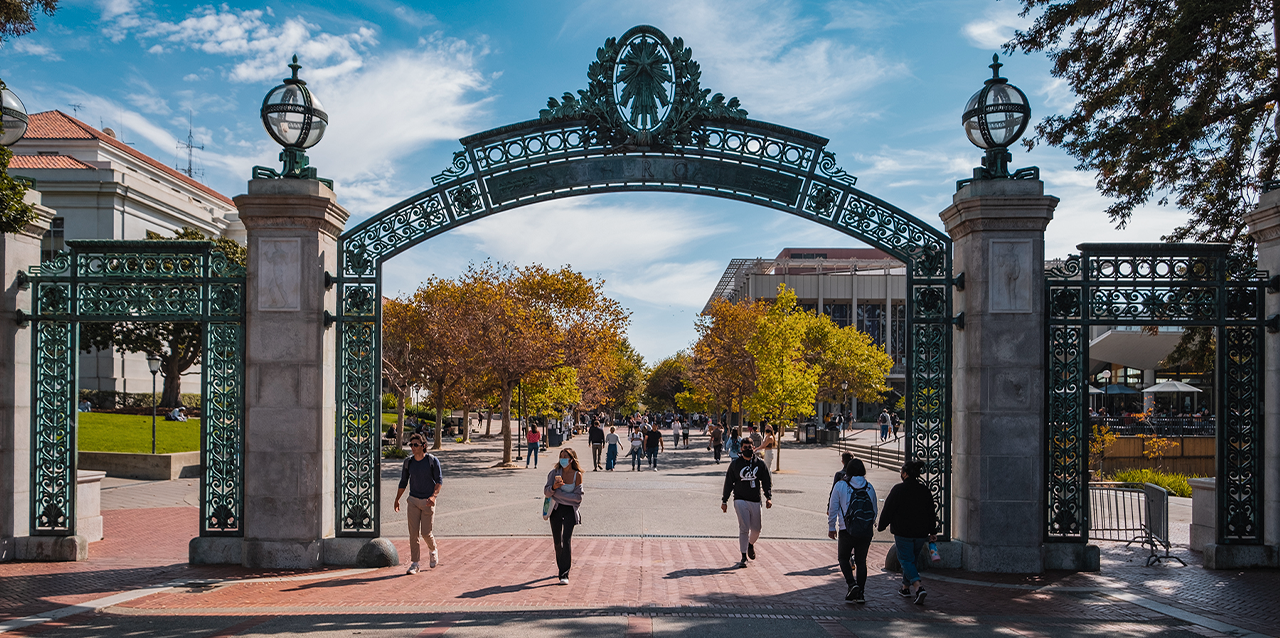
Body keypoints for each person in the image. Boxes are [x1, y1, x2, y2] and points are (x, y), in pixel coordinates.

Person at [877, 460, 938, 605]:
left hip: (903, 532)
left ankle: (918, 587)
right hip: (920, 533)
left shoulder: (898, 489)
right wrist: (932, 531)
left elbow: (888, 510)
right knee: (911, 561)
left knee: (905, 560)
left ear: (905, 474)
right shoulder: (924, 490)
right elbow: (931, 512)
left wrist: (881, 526)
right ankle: (905, 588)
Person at [828, 458, 877, 603]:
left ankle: (851, 584)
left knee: (843, 558)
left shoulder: (841, 485)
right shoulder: (869, 487)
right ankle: (861, 593)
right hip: (865, 530)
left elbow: (833, 508)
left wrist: (832, 527)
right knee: (861, 561)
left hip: (846, 529)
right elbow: (874, 510)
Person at [394, 433, 443, 574]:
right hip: (413, 501)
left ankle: (433, 550)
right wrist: (397, 499)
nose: (413, 447)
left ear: (423, 446)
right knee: (413, 534)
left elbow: (439, 481)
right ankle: (415, 563)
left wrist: (434, 496)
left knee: (426, 533)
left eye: (416, 445)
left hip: (428, 501)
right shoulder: (408, 462)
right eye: (411, 445)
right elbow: (403, 482)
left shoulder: (432, 461)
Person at [721, 438, 772, 568]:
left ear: (753, 447)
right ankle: (743, 556)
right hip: (740, 499)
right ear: (741, 449)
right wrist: (724, 500)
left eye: (750, 447)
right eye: (745, 447)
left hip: (755, 500)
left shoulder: (759, 464)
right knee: (744, 528)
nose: (748, 449)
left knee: (756, 529)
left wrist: (768, 497)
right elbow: (728, 483)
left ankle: (750, 544)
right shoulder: (735, 465)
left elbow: (766, 481)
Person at [544, 448, 583, 585]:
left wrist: (558, 494)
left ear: (571, 459)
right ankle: (562, 565)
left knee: (566, 539)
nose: (563, 459)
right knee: (557, 542)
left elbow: (578, 498)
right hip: (556, 509)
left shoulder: (577, 475)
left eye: (566, 456)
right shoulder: (554, 474)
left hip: (570, 511)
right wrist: (554, 487)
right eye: (561, 456)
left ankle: (564, 573)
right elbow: (547, 492)